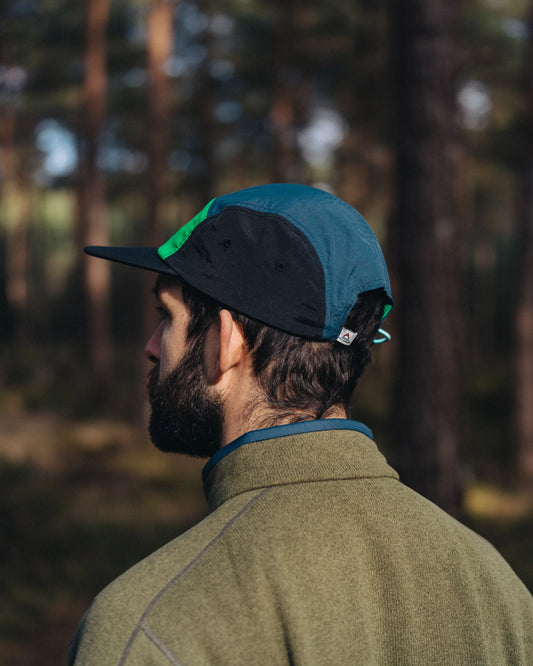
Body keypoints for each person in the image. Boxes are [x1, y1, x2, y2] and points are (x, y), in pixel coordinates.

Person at [69, 184, 533, 665]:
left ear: (225, 343)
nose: (151, 346)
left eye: (167, 317)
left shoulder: (149, 628)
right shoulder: (500, 592)